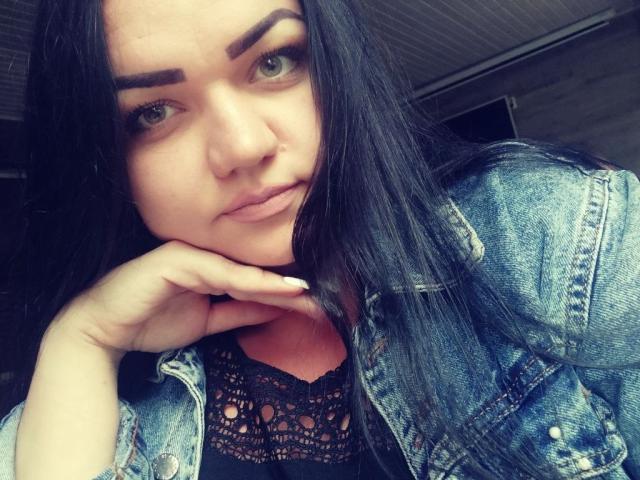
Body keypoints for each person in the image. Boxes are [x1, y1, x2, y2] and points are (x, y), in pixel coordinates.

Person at [0, 0, 638, 478]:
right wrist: (83, 340)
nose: (242, 147)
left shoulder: (548, 229)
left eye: (272, 62)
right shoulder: (105, 390)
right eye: (153, 112)